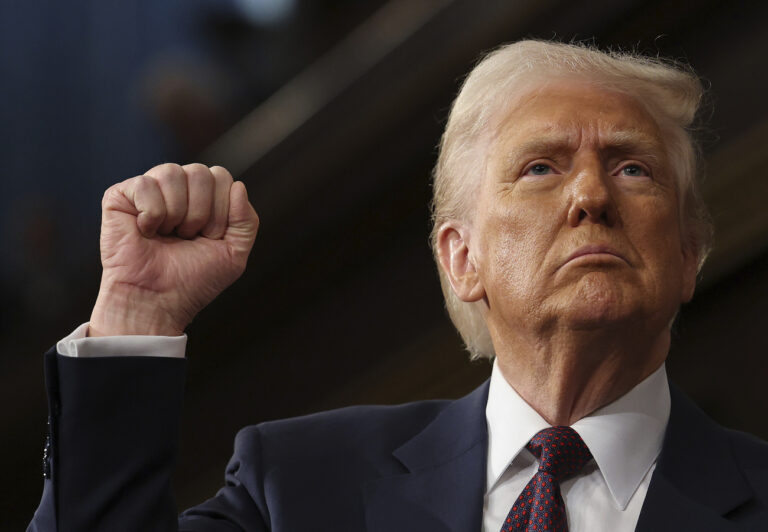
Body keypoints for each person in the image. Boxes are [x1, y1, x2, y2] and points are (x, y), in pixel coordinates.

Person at [28, 40, 768, 532]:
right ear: (460, 259)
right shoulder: (296, 489)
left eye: (632, 167)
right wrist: (137, 311)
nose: (591, 197)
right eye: (540, 167)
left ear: (689, 251)